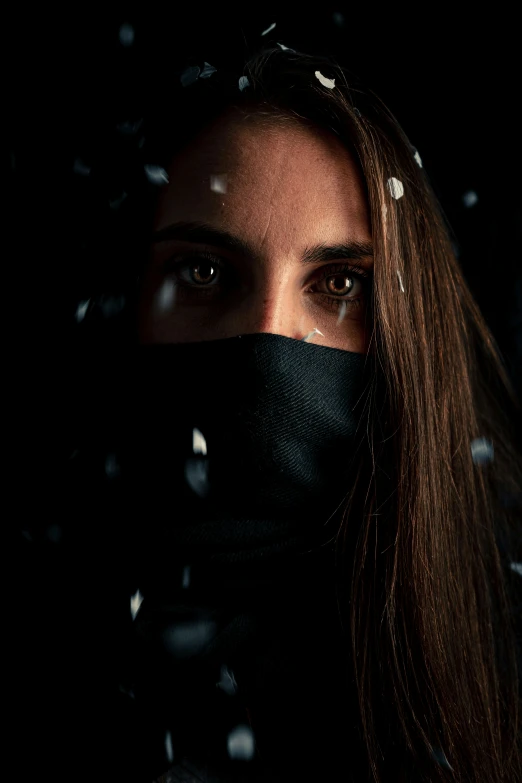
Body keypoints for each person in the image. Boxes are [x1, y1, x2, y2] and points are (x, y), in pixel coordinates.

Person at [31, 45, 522, 783]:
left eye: (340, 284)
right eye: (204, 272)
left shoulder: (504, 653)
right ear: (127, 299)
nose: (266, 337)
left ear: (408, 329)